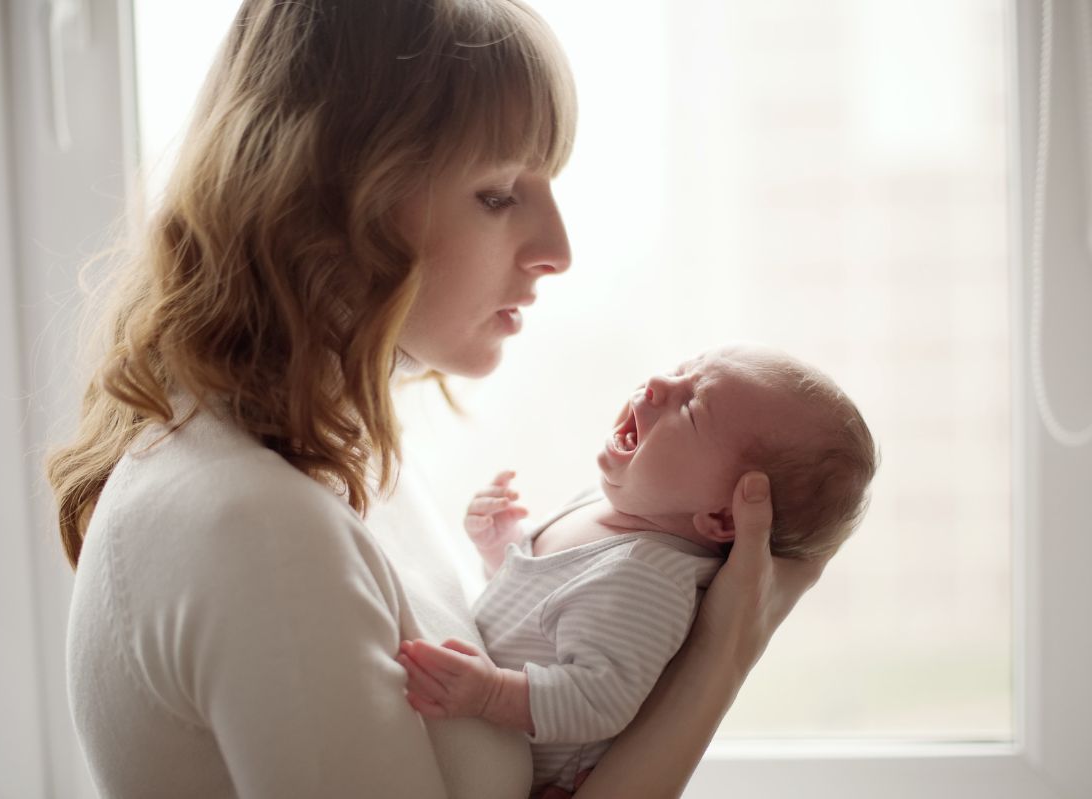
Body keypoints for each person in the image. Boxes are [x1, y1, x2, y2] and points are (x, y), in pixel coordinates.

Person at [46, 1, 830, 797]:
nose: (558, 249)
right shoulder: (256, 526)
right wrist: (722, 660)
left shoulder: (343, 458)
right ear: (332, 199)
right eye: (497, 194)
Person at [395, 345, 878, 796]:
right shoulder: (603, 508)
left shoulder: (646, 578)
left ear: (724, 517)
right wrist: (503, 545)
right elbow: (546, 610)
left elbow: (596, 699)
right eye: (679, 370)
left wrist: (490, 694)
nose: (655, 384)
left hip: (521, 776)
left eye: (691, 408)